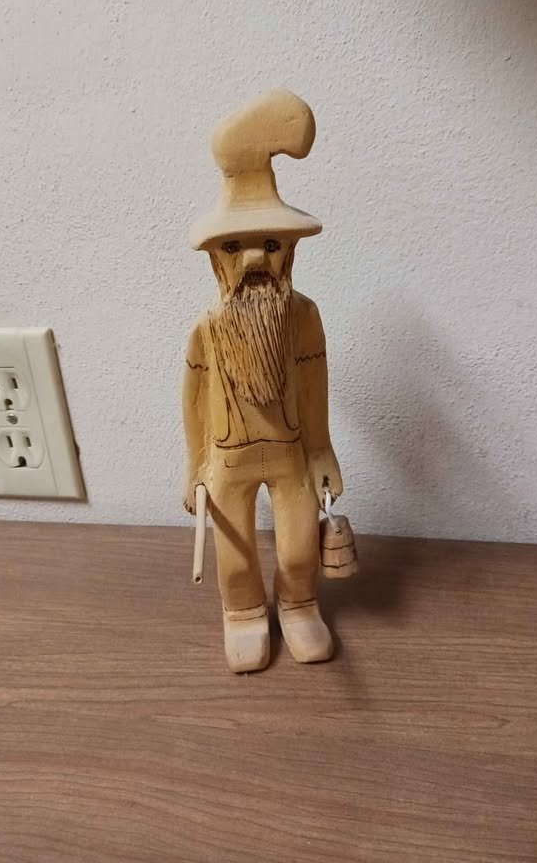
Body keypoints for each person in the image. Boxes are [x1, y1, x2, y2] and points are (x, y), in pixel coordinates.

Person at [183, 89, 343, 673]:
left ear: (289, 253)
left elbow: (315, 384)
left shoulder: (303, 318)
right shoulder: (206, 328)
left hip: (291, 450)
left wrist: (322, 450)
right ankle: (244, 613)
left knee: (299, 548)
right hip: (227, 458)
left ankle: (299, 606)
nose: (254, 260)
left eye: (270, 245)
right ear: (217, 258)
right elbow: (193, 400)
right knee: (234, 555)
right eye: (235, 246)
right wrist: (194, 466)